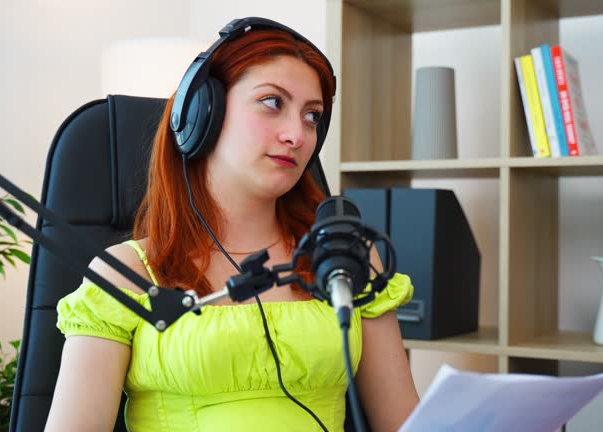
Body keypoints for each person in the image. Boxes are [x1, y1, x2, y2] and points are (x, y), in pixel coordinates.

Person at [45, 17, 419, 432]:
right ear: (205, 112)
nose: (297, 134)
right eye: (273, 102)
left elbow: (405, 425)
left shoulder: (344, 257)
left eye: (312, 116)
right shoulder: (126, 274)